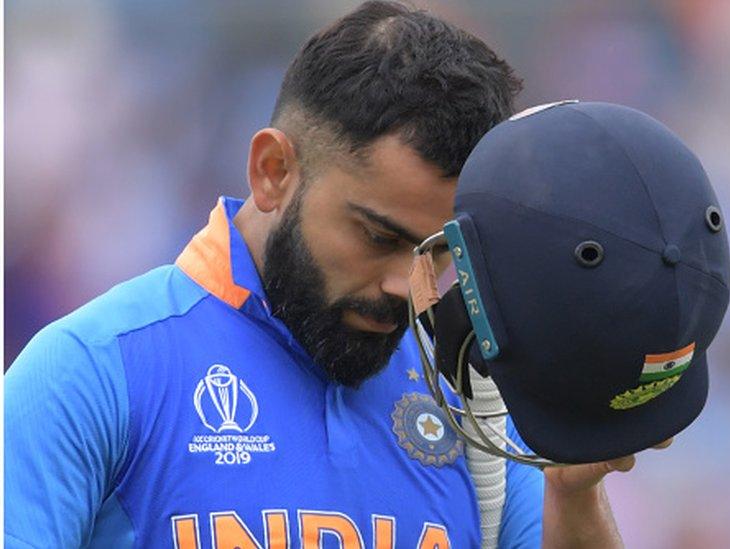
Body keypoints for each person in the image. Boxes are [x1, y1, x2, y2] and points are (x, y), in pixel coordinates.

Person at [4, 2, 635, 547]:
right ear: (273, 170)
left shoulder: (471, 400)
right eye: (379, 236)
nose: (405, 285)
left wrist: (576, 493)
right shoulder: (89, 372)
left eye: (439, 253)